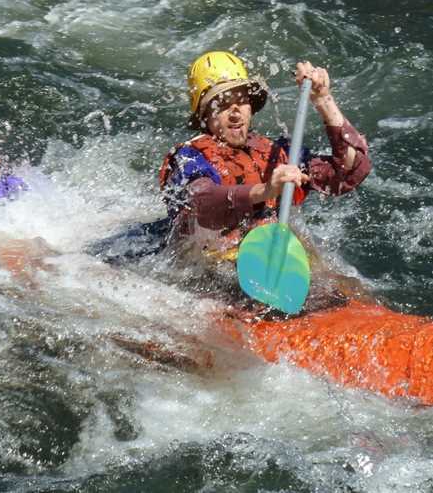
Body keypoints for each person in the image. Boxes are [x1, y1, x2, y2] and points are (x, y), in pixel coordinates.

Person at [158, 51, 373, 309]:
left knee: (351, 289)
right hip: (211, 275)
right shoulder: (188, 157)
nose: (235, 112)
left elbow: (349, 173)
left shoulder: (275, 154)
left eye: (241, 101)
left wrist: (324, 101)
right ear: (205, 115)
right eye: (223, 103)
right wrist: (266, 190)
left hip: (274, 262)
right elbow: (203, 203)